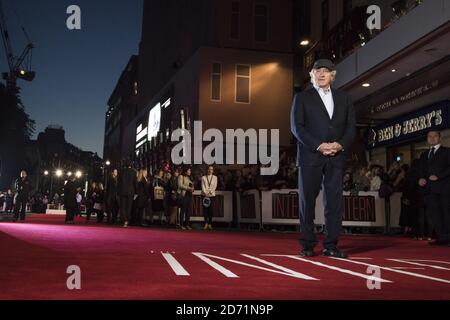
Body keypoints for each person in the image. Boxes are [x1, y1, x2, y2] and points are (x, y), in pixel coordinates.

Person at [290, 59, 356, 258]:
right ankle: (308, 244)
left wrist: (340, 144)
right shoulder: (301, 98)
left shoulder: (344, 98)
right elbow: (297, 127)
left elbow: (351, 126)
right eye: (317, 71)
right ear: (312, 75)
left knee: (334, 203)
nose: (321, 74)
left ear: (332, 75)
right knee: (307, 202)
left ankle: (331, 245)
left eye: (326, 71)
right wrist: (319, 145)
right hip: (310, 156)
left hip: (336, 157)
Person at [418, 130, 450, 246]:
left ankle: (448, 237)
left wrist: (439, 176)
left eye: (435, 136)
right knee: (435, 215)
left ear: (440, 138)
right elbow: (421, 171)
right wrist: (420, 179)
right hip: (429, 190)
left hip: (444, 189)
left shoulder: (447, 152)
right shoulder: (423, 155)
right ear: (427, 139)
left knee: (446, 213)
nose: (432, 138)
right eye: (429, 136)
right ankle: (441, 237)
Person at [118, 161, 137, 228]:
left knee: (123, 207)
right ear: (131, 165)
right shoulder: (134, 172)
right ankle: (126, 221)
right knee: (129, 207)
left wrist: (118, 191)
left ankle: (124, 220)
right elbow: (135, 182)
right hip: (131, 192)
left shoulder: (121, 171)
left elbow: (119, 183)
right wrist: (136, 192)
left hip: (122, 191)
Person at [201, 165, 218, 230]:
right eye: (209, 169)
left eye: (211, 169)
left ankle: (210, 223)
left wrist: (210, 192)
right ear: (207, 170)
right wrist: (206, 193)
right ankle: (205, 223)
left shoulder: (215, 177)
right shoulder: (203, 177)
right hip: (204, 195)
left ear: (213, 170)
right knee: (205, 210)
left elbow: (215, 186)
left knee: (211, 210)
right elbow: (202, 186)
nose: (210, 170)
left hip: (212, 195)